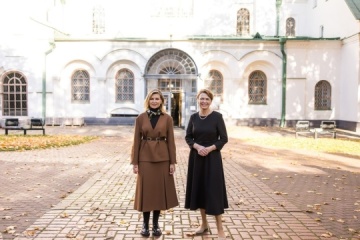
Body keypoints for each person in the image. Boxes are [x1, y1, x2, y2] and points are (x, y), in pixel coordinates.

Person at [131, 89, 178, 237]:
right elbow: (136, 141)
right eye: (152, 99)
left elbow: (171, 141)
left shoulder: (168, 119)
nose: (155, 101)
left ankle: (156, 225)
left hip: (163, 158)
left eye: (157, 99)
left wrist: (172, 162)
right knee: (146, 192)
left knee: (158, 192)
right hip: (145, 157)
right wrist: (135, 162)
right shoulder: (140, 118)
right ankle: (145, 224)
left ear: (161, 101)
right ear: (148, 100)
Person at [185, 89, 229, 239]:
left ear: (211, 101)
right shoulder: (193, 118)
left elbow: (223, 138)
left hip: (212, 158)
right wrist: (197, 147)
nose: (204, 101)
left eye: (207, 99)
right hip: (197, 158)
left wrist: (209, 149)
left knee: (214, 192)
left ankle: (220, 229)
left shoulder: (217, 117)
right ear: (197, 100)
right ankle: (204, 225)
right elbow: (188, 137)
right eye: (201, 99)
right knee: (200, 190)